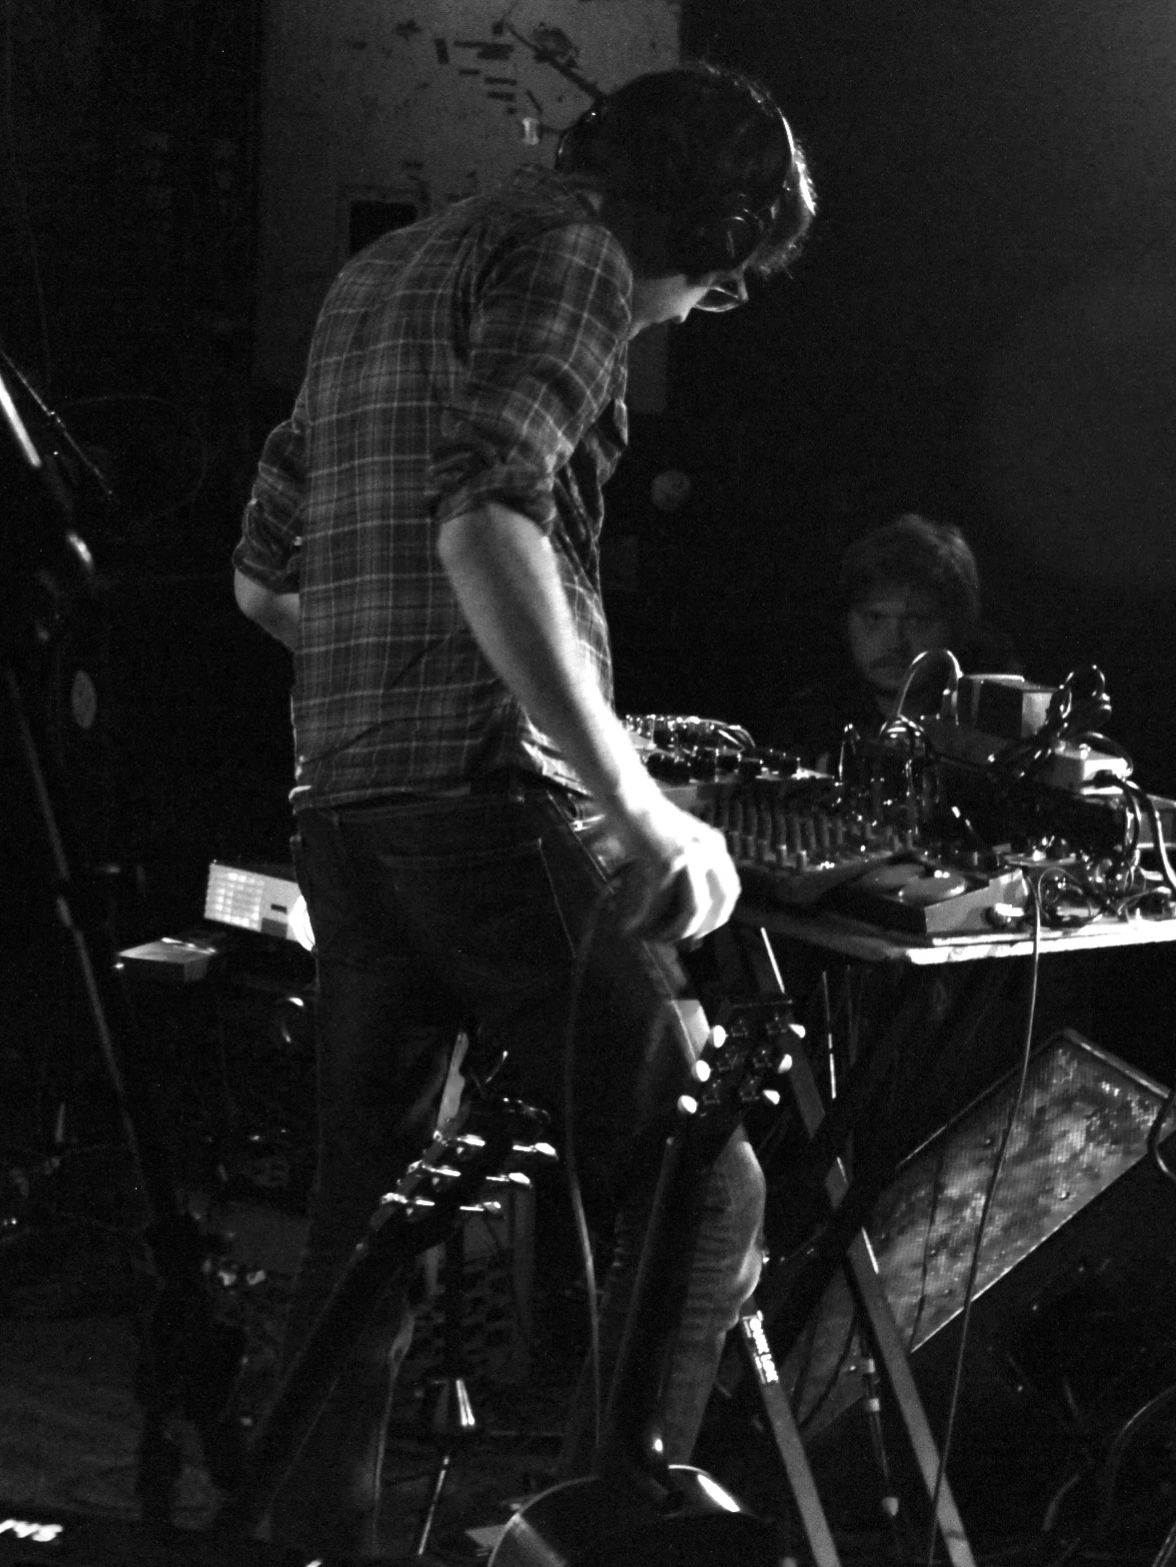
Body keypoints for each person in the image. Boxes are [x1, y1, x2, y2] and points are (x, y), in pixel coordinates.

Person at [228, 64, 813, 1556]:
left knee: (364, 1235)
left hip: (344, 807)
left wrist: (405, 649)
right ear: (709, 220)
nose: (695, 310)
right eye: (724, 281)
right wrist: (630, 803)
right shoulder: (580, 253)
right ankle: (593, 1538)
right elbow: (488, 503)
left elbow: (261, 573)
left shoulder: (383, 267)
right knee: (706, 1180)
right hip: (486, 807)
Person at [764, 513, 1017, 763]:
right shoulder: (808, 725)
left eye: (917, 620)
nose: (894, 641)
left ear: (958, 626)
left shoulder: (1002, 728)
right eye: (875, 618)